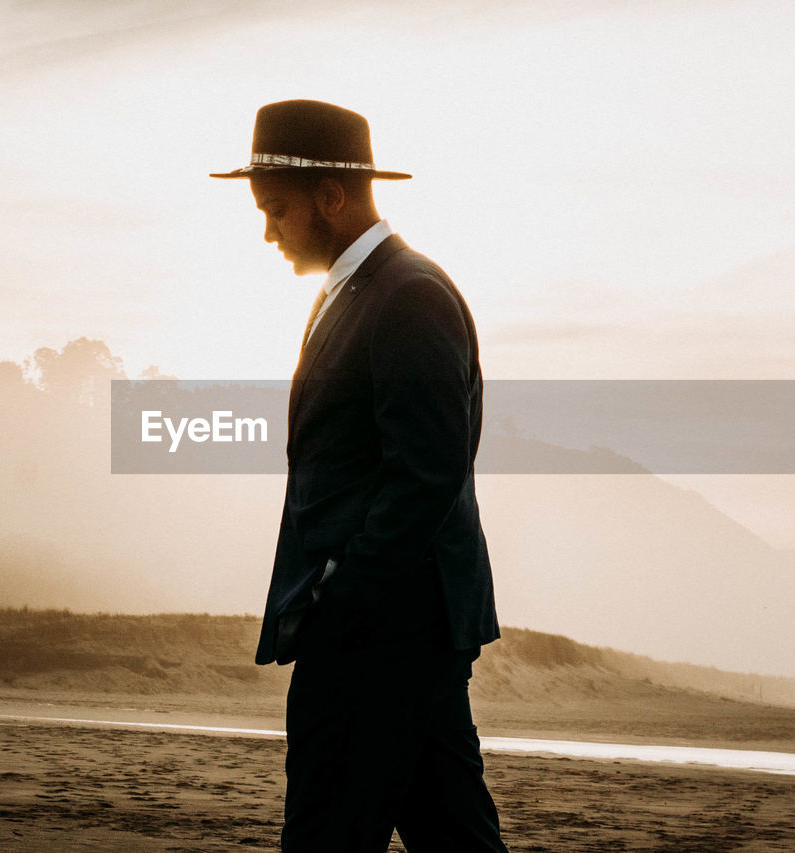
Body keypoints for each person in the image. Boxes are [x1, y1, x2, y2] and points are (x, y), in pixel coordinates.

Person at [211, 100, 508, 852]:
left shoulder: (407, 296)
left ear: (331, 198)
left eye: (276, 209)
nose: (268, 230)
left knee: (324, 835)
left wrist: (341, 594)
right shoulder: (356, 293)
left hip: (380, 638)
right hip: (396, 632)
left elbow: (429, 473)